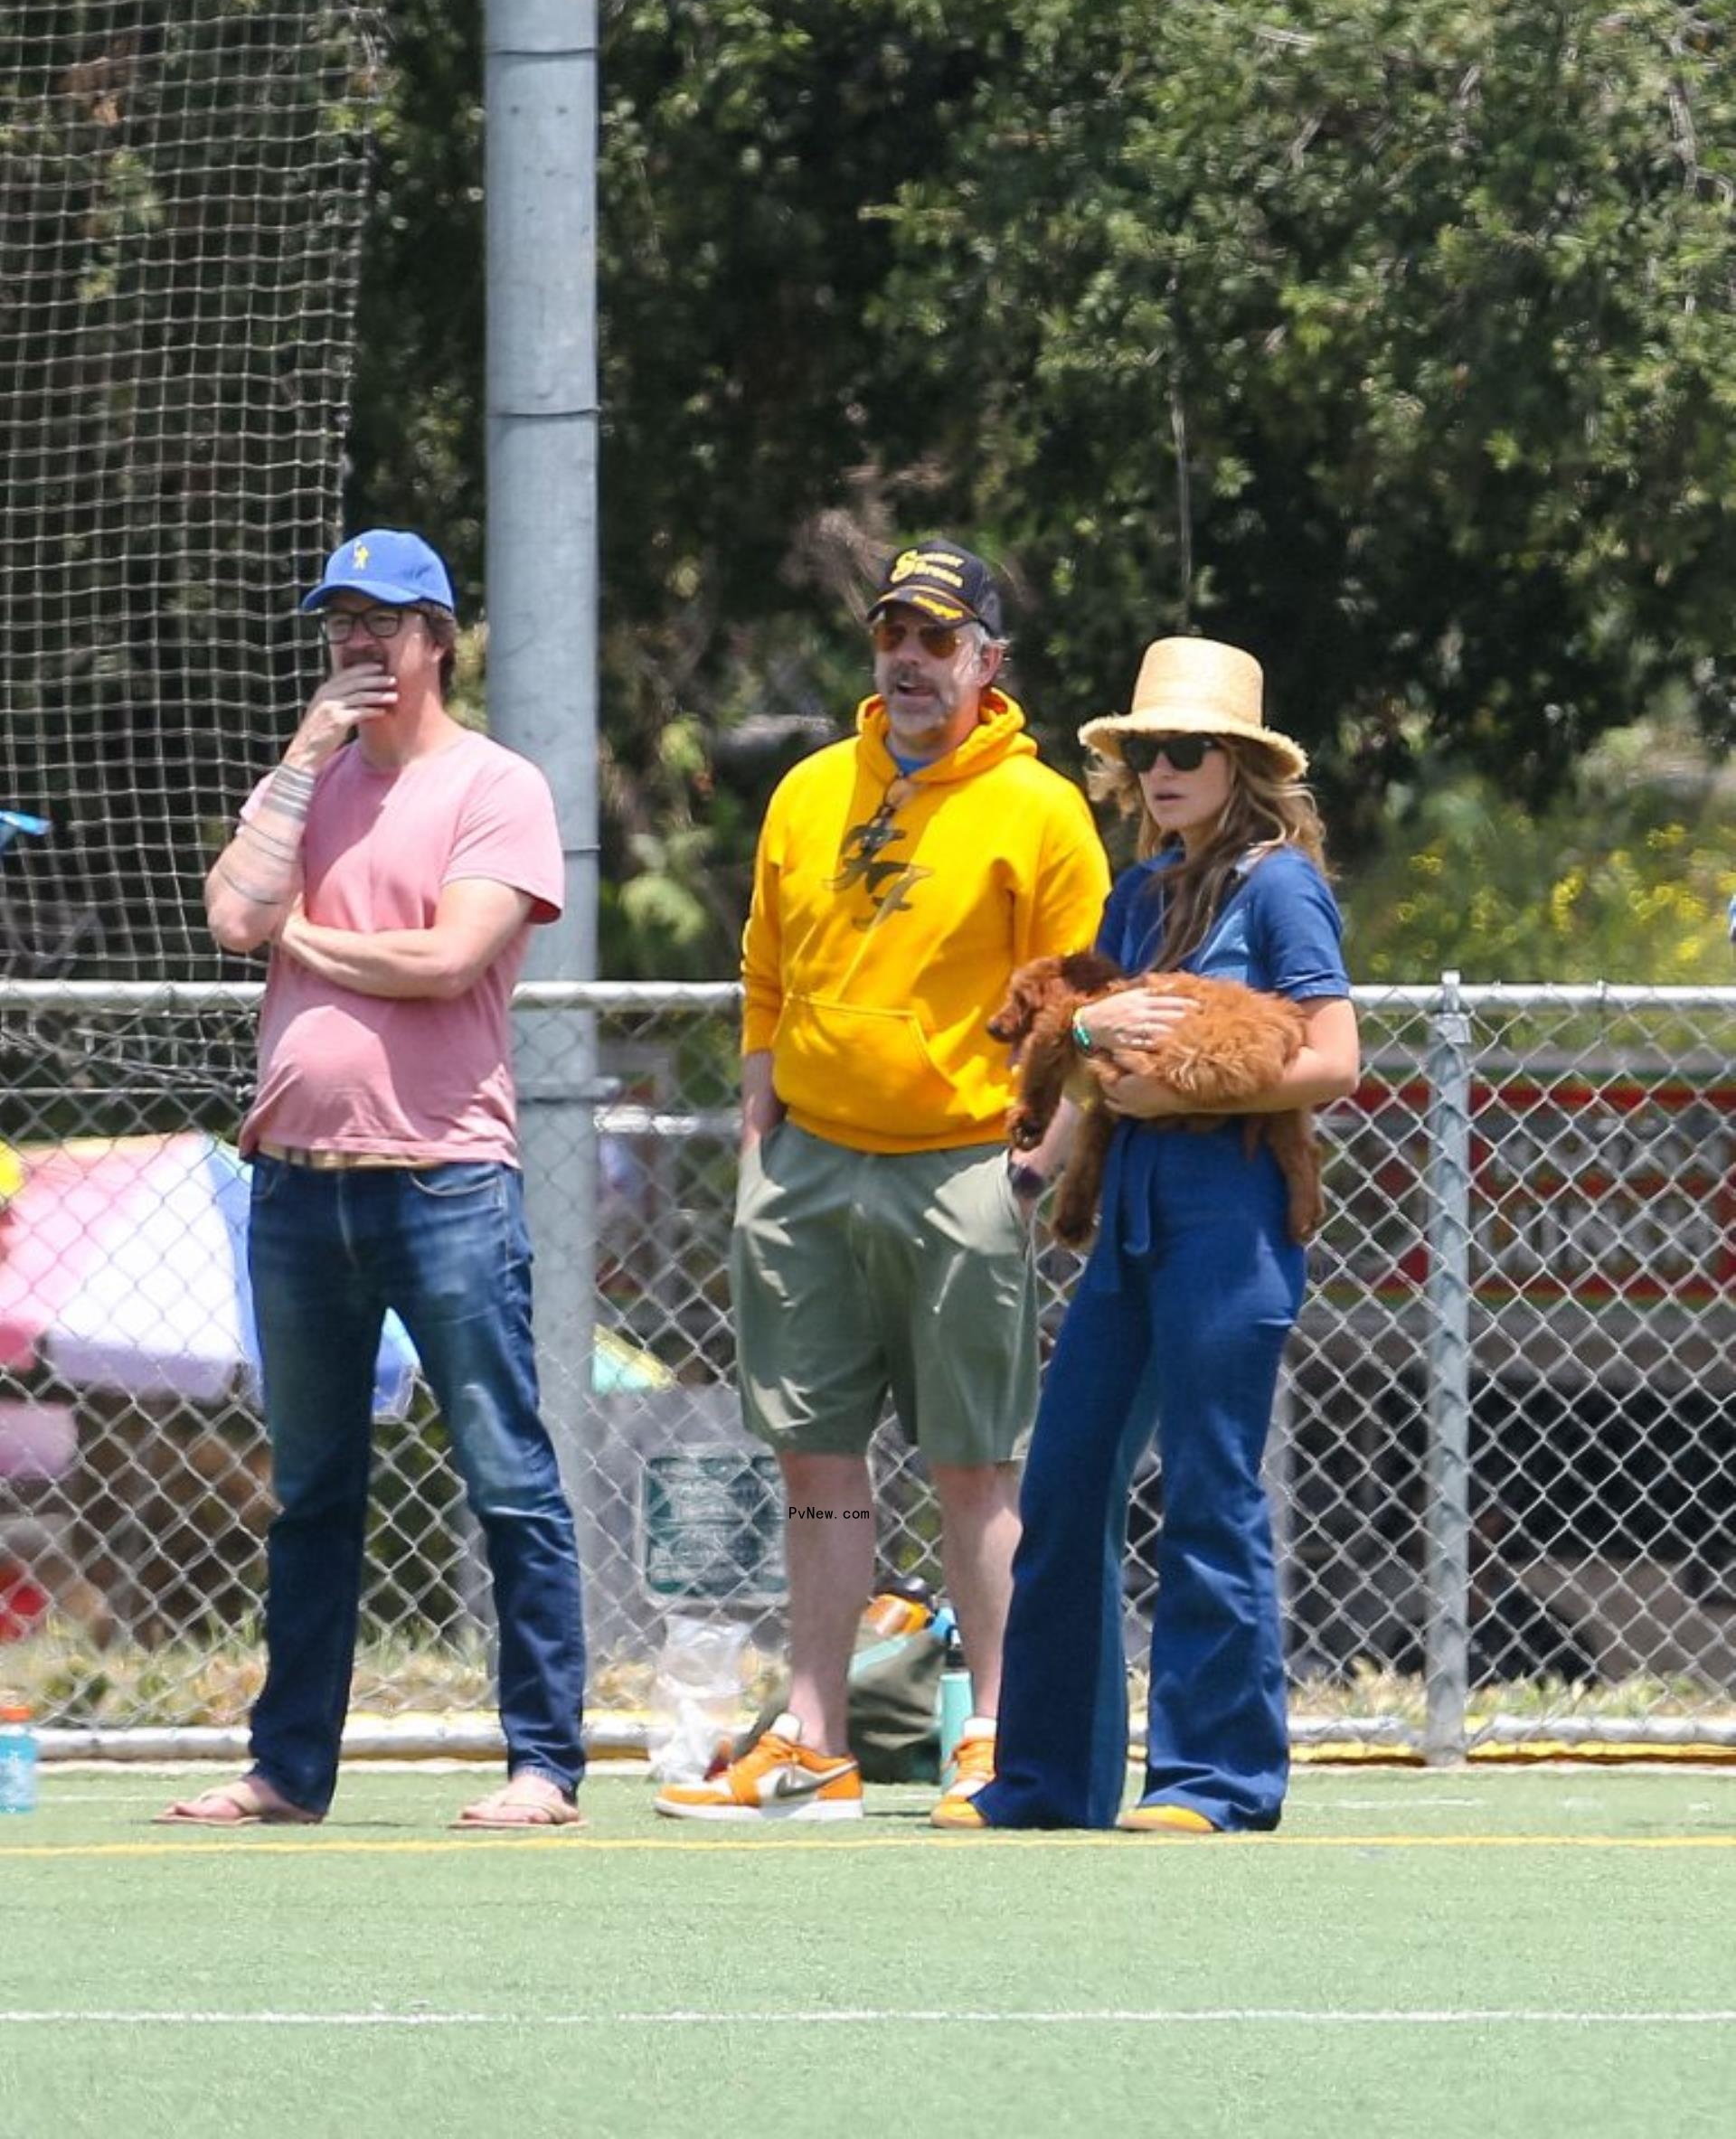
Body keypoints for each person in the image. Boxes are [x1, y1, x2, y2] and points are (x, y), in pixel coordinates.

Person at [656, 538, 1110, 1821]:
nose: (909, 660)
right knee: (814, 1462)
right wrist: (762, 1127)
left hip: (962, 1167)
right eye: (892, 635)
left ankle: (1000, 1740)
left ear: (988, 661)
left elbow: (1079, 1004)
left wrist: (1032, 1164)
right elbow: (764, 971)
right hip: (808, 1167)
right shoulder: (810, 789)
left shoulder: (1041, 808)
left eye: (937, 638)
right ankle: (815, 1741)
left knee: (975, 1467)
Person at [157, 528, 587, 1830]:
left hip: (443, 1180)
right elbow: (229, 918)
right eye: (340, 620)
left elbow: (448, 961)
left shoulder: (497, 785)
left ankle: (544, 1765)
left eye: (383, 621)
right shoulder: (309, 783)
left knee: (506, 1474)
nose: (356, 642)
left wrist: (298, 933)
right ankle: (287, 1771)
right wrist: (300, 761)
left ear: (437, 641)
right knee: (310, 1494)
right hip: (295, 1188)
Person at [934, 635, 1359, 1835]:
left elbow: (1335, 1060)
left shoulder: (1281, 888)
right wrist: (1042, 1152)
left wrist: (1187, 1093)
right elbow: (1097, 1049)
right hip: (1125, 1217)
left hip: (1232, 1216)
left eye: (1188, 751)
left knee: (1212, 1491)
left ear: (1240, 766)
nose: (1162, 772)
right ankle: (1044, 1779)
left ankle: (1214, 1780)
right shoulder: (1141, 891)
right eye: (1147, 753)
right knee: (1066, 1483)